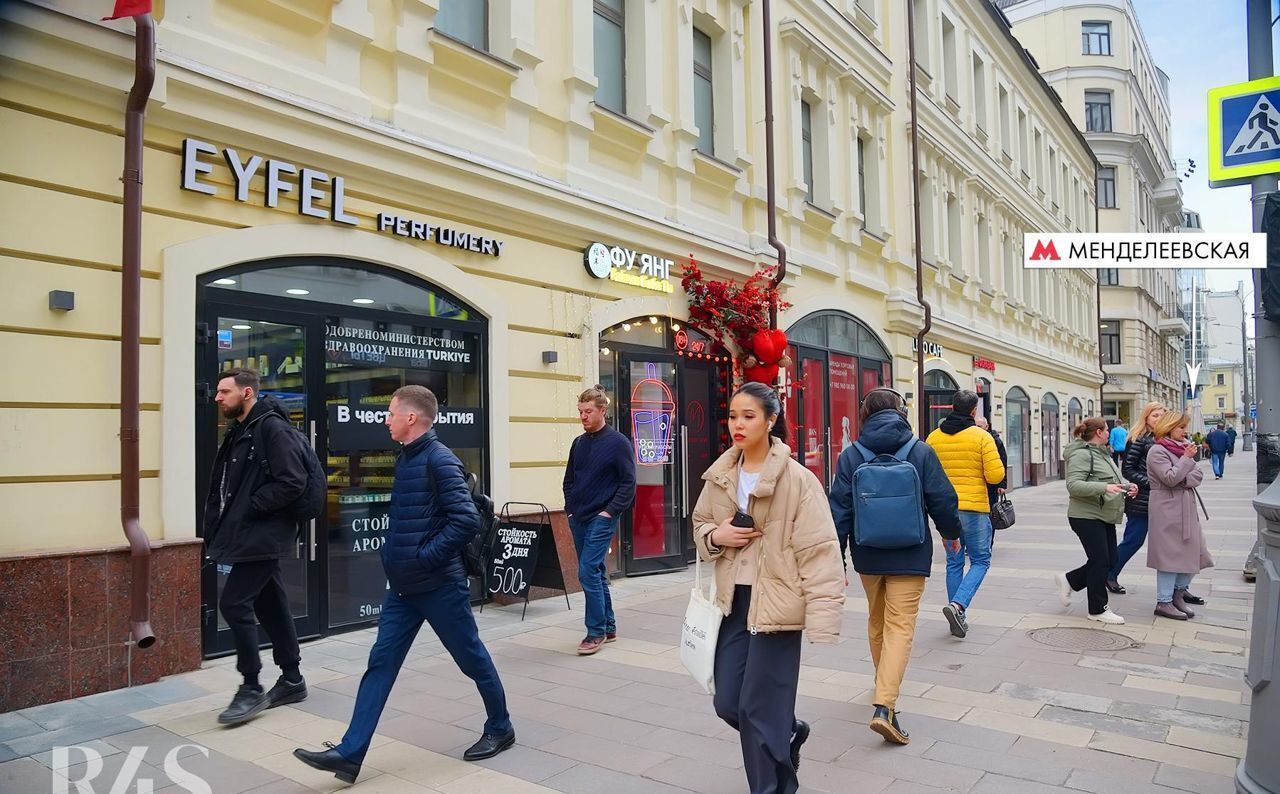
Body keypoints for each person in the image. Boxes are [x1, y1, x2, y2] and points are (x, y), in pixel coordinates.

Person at [294, 386, 513, 784]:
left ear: (411, 418)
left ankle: (501, 727)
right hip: (404, 590)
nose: (386, 419)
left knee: (471, 658)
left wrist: (425, 557)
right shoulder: (407, 458)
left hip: (440, 587)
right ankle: (350, 753)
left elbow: (464, 519)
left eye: (391, 412)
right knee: (380, 664)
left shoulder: (438, 459)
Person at [693, 382, 844, 794]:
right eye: (732, 416)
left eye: (749, 416)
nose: (737, 425)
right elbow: (700, 524)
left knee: (757, 709)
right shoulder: (721, 475)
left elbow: (820, 551)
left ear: (771, 420)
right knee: (728, 703)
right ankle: (788, 729)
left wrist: (823, 617)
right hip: (734, 603)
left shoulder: (798, 480)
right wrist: (716, 536)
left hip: (778, 606)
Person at [830, 388, 960, 745]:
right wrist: (952, 535)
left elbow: (838, 510)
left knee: (876, 621)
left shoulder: (851, 455)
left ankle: (883, 688)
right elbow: (943, 499)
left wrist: (836, 558)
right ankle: (885, 706)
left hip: (868, 554)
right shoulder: (919, 450)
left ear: (864, 414)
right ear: (902, 412)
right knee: (900, 626)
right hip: (911, 551)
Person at [203, 368, 308, 725]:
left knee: (233, 604)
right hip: (250, 532)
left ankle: (250, 686)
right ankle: (292, 679)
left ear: (247, 393)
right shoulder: (241, 430)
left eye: (224, 391)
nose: (217, 398)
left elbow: (292, 481)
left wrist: (253, 506)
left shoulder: (272, 429)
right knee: (272, 603)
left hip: (263, 535)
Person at [926, 390, 1005, 639]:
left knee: (954, 562)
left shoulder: (933, 438)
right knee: (980, 560)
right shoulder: (981, 437)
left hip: (945, 510)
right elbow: (995, 476)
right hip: (973, 509)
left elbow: (927, 473)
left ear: (951, 406)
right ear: (973, 411)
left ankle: (957, 613)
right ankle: (958, 605)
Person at [563, 385, 636, 655]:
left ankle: (595, 632)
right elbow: (569, 480)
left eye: (588, 411)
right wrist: (570, 510)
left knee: (586, 571)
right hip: (578, 516)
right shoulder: (578, 443)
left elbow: (628, 483)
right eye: (580, 411)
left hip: (602, 517)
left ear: (602, 411)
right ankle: (609, 626)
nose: (583, 416)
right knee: (595, 572)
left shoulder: (618, 443)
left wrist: (609, 511)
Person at [1053, 418, 1135, 625]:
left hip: (1102, 513)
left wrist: (1127, 486)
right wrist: (1104, 489)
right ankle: (1098, 609)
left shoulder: (1101, 452)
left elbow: (1110, 480)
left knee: (1111, 559)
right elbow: (1073, 485)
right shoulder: (1082, 454)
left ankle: (1070, 580)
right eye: (1107, 430)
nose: (1109, 433)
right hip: (1085, 515)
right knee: (1100, 561)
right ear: (1099, 432)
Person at [1147, 411, 1214, 621]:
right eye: (1181, 427)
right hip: (1167, 509)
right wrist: (1185, 462)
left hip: (1185, 505)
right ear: (1168, 427)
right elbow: (1169, 478)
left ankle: (1178, 593)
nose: (1185, 431)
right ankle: (1164, 601)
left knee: (1196, 551)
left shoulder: (1182, 447)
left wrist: (1184, 473)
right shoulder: (1157, 451)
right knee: (1169, 556)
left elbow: (1198, 474)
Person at [1108, 402, 1163, 595]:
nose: (1159, 419)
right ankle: (1110, 573)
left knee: (1171, 541)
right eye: (1155, 415)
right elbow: (1128, 469)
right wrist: (1153, 483)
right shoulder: (1138, 439)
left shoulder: (1163, 438)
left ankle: (1179, 587)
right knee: (1134, 540)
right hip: (1142, 499)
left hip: (1164, 500)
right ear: (1146, 417)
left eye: (1162, 415)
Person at [975, 416, 1008, 541]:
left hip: (992, 484)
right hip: (977, 484)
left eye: (980, 426)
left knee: (991, 514)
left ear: (987, 427)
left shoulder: (995, 441)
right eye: (975, 426)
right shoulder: (973, 439)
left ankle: (989, 541)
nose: (978, 429)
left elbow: (1002, 462)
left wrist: (1002, 484)